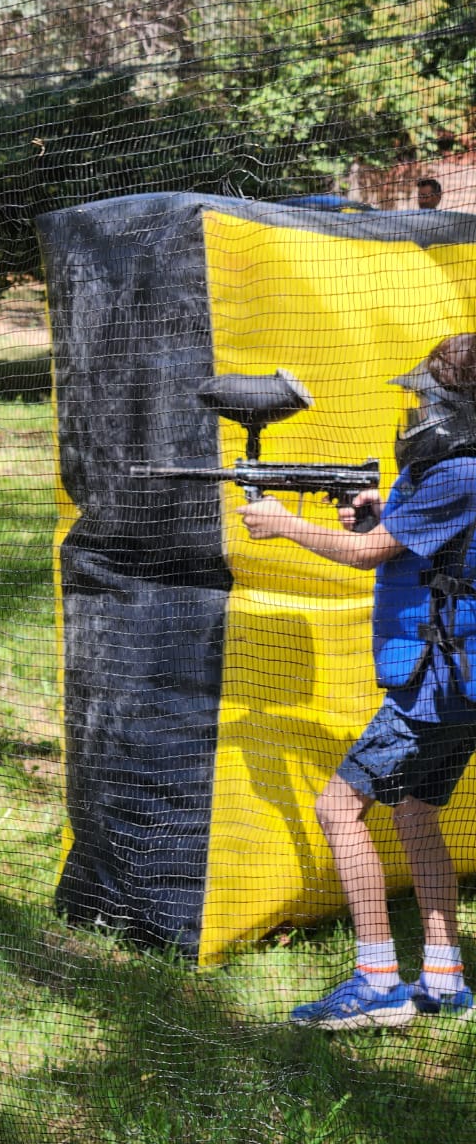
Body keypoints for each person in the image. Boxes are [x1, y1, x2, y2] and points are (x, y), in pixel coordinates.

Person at [238, 334, 476, 1029]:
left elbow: (368, 554)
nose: (419, 413)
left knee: (337, 810)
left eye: (431, 401)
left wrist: (285, 525)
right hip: (457, 684)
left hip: (432, 685)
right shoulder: (454, 472)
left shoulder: (461, 473)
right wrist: (378, 514)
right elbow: (419, 549)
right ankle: (443, 978)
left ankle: (377, 985)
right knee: (415, 812)